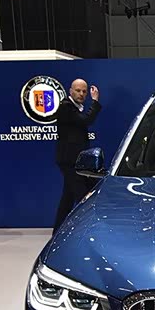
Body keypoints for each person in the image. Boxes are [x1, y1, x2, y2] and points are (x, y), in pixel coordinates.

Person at [54, 79, 101, 232]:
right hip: (69, 161)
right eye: (78, 90)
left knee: (67, 198)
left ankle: (58, 232)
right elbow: (86, 120)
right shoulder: (66, 107)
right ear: (70, 91)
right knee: (83, 197)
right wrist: (95, 102)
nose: (81, 94)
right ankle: (89, 231)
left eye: (84, 91)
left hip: (75, 161)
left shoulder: (74, 108)